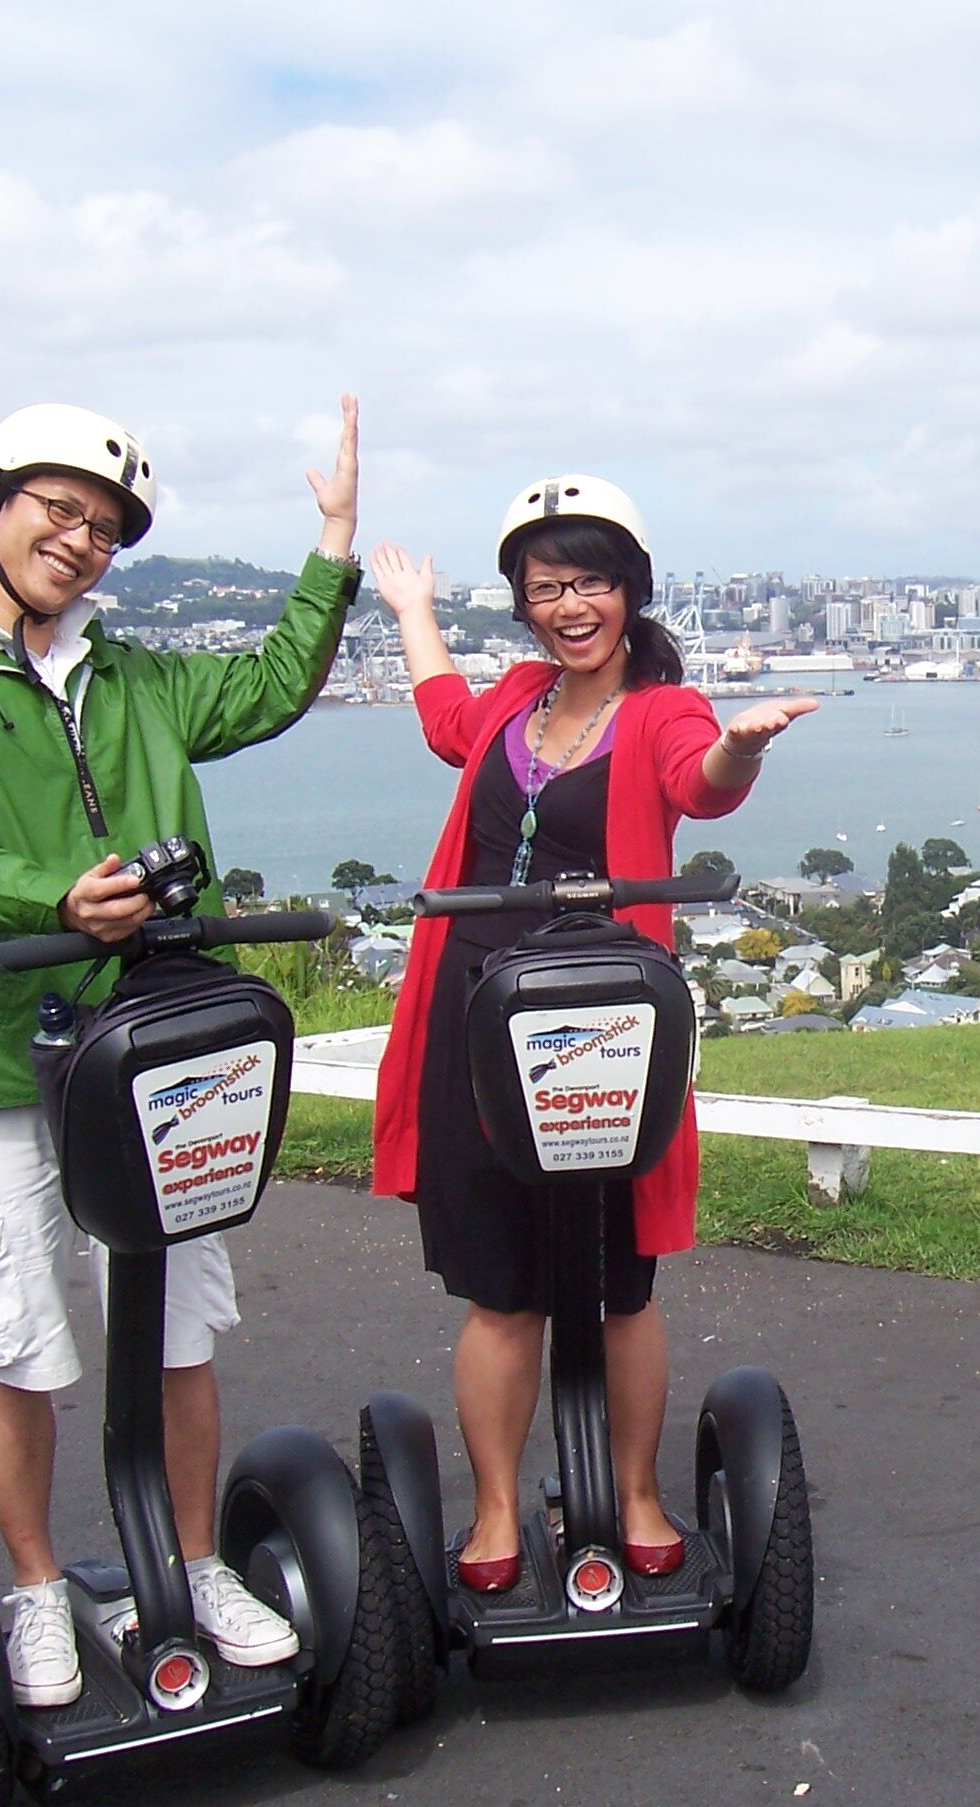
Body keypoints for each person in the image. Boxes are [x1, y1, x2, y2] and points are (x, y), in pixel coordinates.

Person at [0, 397, 363, 1707]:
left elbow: (265, 687)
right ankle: (32, 1592)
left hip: (151, 1050)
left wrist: (333, 548)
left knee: (180, 1325)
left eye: (105, 528)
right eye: (56, 510)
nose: (78, 541)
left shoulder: (136, 679)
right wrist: (60, 898)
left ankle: (192, 1568)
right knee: (15, 1337)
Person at [368, 475, 812, 1592]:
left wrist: (744, 749)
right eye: (546, 587)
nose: (570, 607)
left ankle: (639, 1490)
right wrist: (413, 610)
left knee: (620, 1282)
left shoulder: (664, 708)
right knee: (500, 1284)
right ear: (522, 603)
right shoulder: (515, 697)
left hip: (604, 1021)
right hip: (475, 1008)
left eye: (592, 584)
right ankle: (499, 1509)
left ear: (631, 593)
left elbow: (696, 786)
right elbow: (440, 717)